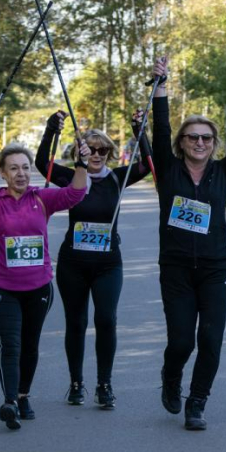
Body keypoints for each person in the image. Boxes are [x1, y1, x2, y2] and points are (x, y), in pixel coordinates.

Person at [145, 56, 226, 430]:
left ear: (213, 143)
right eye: (192, 137)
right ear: (181, 143)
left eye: (206, 138)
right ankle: (171, 375)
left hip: (217, 268)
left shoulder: (224, 172)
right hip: (177, 269)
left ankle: (197, 402)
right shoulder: (167, 170)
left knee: (211, 340)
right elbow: (160, 125)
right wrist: (161, 85)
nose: (199, 142)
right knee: (182, 341)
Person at [0, 142, 89, 430]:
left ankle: (24, 395)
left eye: (25, 167)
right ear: (2, 172)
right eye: (14, 168)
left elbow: (76, 192)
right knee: (10, 344)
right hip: (3, 288)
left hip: (39, 288)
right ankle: (10, 401)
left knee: (30, 345)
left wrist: (82, 165)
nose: (21, 173)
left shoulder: (42, 199)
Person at [36, 111, 151, 409]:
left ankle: (105, 384)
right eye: (91, 149)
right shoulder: (71, 176)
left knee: (106, 319)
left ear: (110, 153)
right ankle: (76, 384)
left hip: (108, 264)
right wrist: (51, 129)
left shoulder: (116, 177)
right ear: (80, 152)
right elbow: (41, 164)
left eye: (103, 150)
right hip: (73, 263)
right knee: (76, 322)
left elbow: (152, 165)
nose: (97, 155)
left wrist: (140, 129)